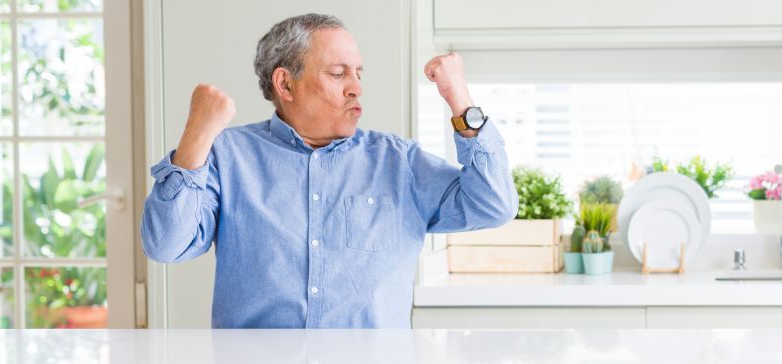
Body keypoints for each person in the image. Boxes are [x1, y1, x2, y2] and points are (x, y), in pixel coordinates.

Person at [140, 13, 516, 328]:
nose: (356, 88)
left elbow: (494, 205)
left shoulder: (399, 161)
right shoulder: (228, 154)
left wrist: (460, 100)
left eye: (358, 73)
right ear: (285, 83)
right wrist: (196, 137)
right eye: (339, 74)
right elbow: (167, 245)